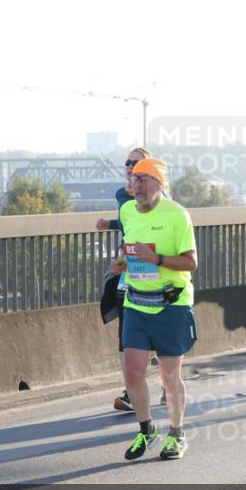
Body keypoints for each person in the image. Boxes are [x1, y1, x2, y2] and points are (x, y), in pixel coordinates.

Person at [112, 158, 198, 461]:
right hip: (135, 301)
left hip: (171, 304)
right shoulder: (126, 212)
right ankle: (147, 430)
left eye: (145, 179)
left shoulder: (177, 215)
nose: (138, 185)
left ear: (160, 184)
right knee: (132, 373)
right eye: (135, 179)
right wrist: (122, 263)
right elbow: (131, 248)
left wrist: (157, 259)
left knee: (168, 376)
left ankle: (177, 433)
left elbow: (190, 262)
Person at [95, 147, 167, 411]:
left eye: (136, 163)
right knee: (128, 326)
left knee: (157, 328)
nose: (129, 166)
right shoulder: (120, 195)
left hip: (156, 267)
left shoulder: (162, 197)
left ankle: (168, 387)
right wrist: (111, 224)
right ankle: (130, 392)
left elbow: (152, 221)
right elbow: (129, 226)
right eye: (127, 163)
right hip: (130, 268)